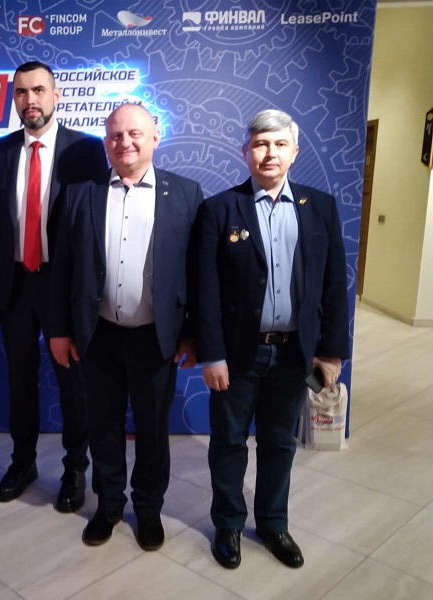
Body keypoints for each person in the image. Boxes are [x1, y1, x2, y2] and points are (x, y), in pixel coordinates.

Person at [197, 109, 350, 569]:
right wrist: (212, 354)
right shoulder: (219, 209)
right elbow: (205, 290)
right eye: (261, 144)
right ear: (245, 151)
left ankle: (272, 524)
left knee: (280, 442)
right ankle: (228, 523)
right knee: (228, 441)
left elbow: (332, 285)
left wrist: (331, 352)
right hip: (237, 353)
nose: (270, 153)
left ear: (294, 152)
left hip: (294, 353)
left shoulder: (319, 207)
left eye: (280, 144)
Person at [50, 103, 204, 551]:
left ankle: (149, 508)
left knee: (153, 430)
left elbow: (199, 272)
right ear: (106, 143)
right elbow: (62, 270)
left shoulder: (186, 193)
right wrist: (60, 330)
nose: (125, 142)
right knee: (103, 426)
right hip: (97, 335)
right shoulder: (80, 194)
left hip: (156, 337)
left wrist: (192, 333)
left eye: (135, 133)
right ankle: (109, 504)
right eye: (116, 135)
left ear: (155, 137)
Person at [0, 60, 107, 511]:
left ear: (56, 96)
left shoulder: (87, 149)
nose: (29, 100)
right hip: (16, 285)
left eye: (38, 90)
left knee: (74, 385)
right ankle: (23, 463)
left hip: (65, 286)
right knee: (20, 381)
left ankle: (75, 470)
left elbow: (95, 225)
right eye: (21, 92)